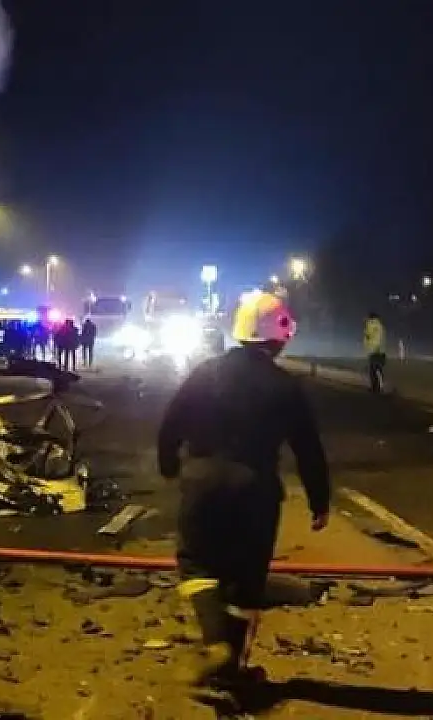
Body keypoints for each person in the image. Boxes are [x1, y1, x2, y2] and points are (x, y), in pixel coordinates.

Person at [157, 291, 330, 698]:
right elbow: (308, 449)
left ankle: (219, 653)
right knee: (246, 582)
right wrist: (319, 501)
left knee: (196, 565)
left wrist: (170, 465)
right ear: (278, 336)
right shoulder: (285, 386)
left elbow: (170, 424)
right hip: (255, 491)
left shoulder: (206, 373)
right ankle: (228, 661)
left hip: (202, 483)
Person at [364, 311, 387, 393]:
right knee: (377, 370)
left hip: (375, 351)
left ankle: (376, 388)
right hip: (379, 351)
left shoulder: (372, 325)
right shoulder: (379, 325)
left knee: (374, 370)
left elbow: (373, 338)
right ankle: (378, 387)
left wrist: (373, 348)